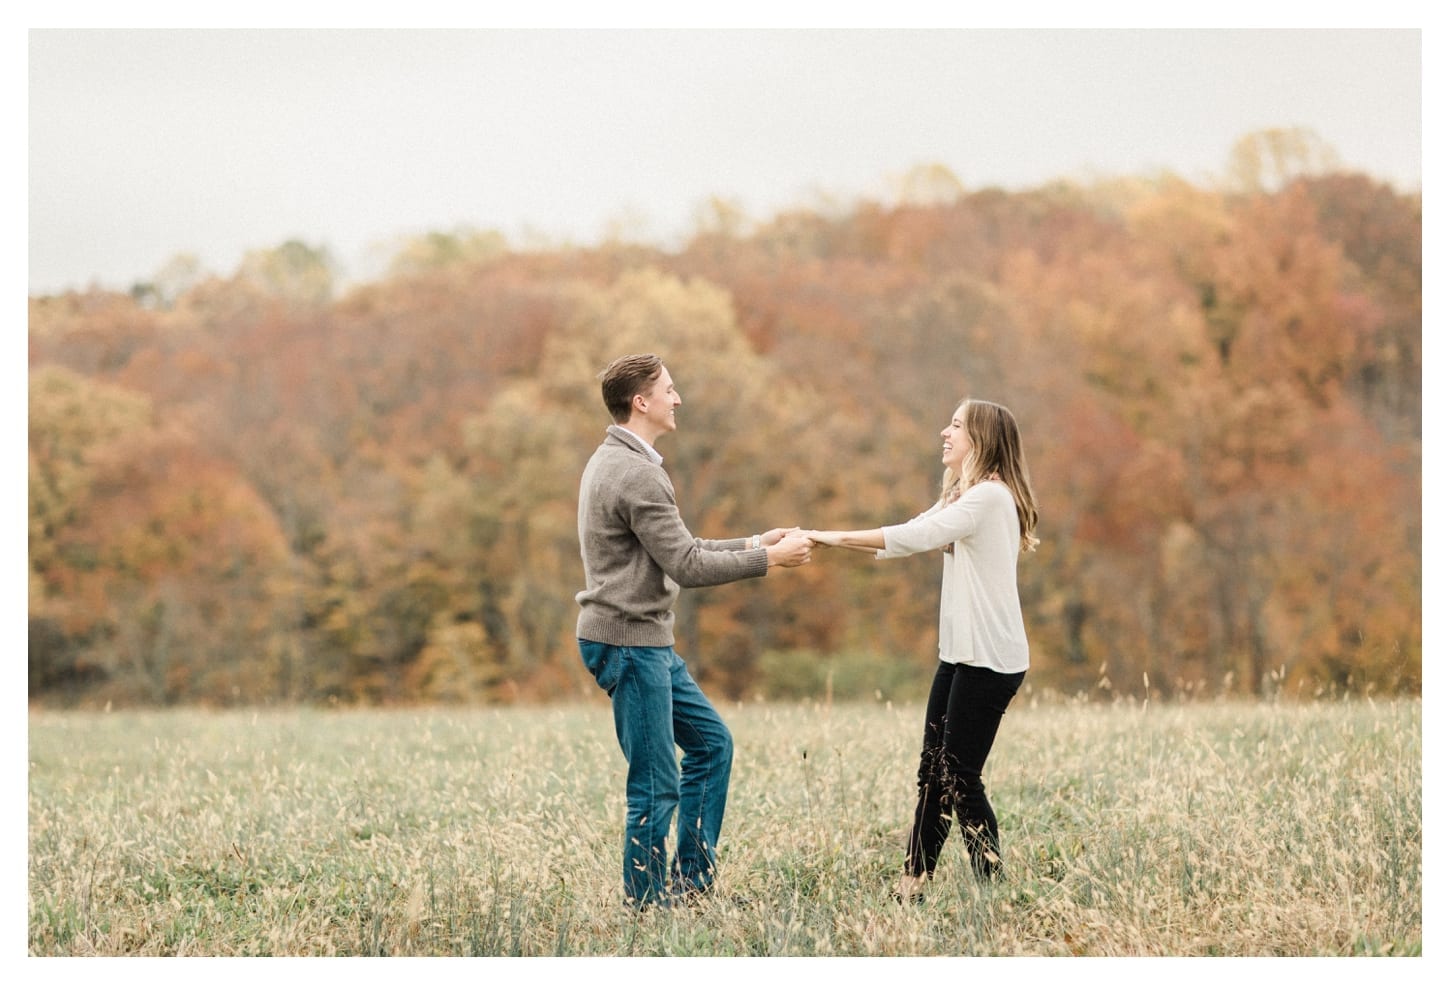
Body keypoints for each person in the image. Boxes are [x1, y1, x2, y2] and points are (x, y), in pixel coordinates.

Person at [576, 353, 814, 909]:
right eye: (669, 390)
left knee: (711, 744)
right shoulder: (637, 473)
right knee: (655, 786)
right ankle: (647, 909)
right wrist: (771, 561)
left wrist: (756, 543)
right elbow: (687, 567)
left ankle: (692, 887)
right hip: (628, 642)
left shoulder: (617, 459)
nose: (677, 399)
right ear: (642, 402)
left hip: (645, 640)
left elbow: (681, 549)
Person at [806, 397, 1038, 902]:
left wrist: (827, 535)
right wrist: (821, 541)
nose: (944, 432)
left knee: (959, 775)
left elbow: (911, 538)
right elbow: (898, 541)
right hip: (959, 655)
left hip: (991, 661)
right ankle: (913, 884)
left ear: (981, 438)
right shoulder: (962, 494)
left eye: (956, 425)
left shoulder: (988, 499)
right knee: (932, 768)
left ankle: (993, 891)